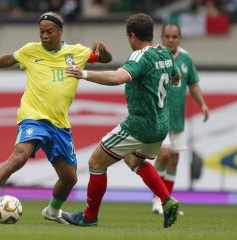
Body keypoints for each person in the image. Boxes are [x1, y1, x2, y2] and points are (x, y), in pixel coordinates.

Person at [0, 12, 112, 224]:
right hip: (33, 117)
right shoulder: (30, 51)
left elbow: (105, 59)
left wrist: (104, 52)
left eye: (49, 31)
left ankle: (52, 211)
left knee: (69, 178)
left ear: (60, 32)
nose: (44, 36)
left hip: (59, 124)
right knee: (20, 155)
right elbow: (9, 59)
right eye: (41, 31)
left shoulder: (76, 52)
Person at [61, 13, 181, 228]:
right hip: (161, 125)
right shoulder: (164, 52)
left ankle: (89, 216)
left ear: (132, 36)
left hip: (140, 125)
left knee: (96, 162)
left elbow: (119, 77)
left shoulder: (139, 56)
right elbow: (176, 76)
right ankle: (167, 199)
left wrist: (84, 74)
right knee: (134, 160)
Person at [144, 23, 209, 215]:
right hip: (158, 116)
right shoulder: (154, 56)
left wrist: (203, 104)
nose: (171, 40)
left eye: (175, 36)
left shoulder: (186, 58)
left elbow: (193, 84)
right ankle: (157, 199)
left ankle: (167, 204)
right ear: (162, 38)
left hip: (177, 119)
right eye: (168, 36)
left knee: (174, 159)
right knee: (163, 155)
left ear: (179, 38)